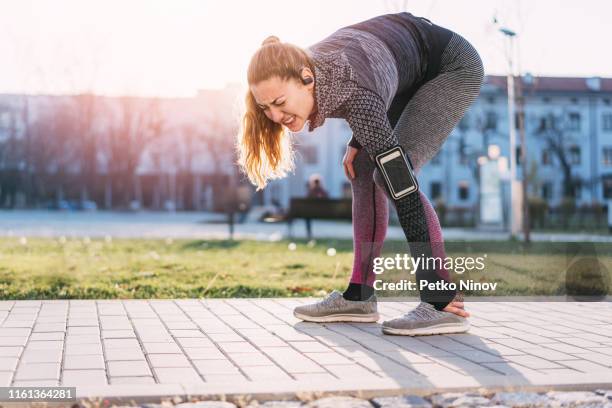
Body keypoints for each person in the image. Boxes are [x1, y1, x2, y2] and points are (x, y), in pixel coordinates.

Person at [237, 12, 484, 336]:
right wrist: (359, 140)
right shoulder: (296, 65)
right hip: (401, 72)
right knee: (362, 167)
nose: (274, 116)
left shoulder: (350, 88)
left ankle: (441, 300)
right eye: (266, 107)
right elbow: (373, 79)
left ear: (307, 79)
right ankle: (360, 296)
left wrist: (363, 136)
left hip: (448, 67)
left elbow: (365, 94)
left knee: (392, 177)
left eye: (280, 103)